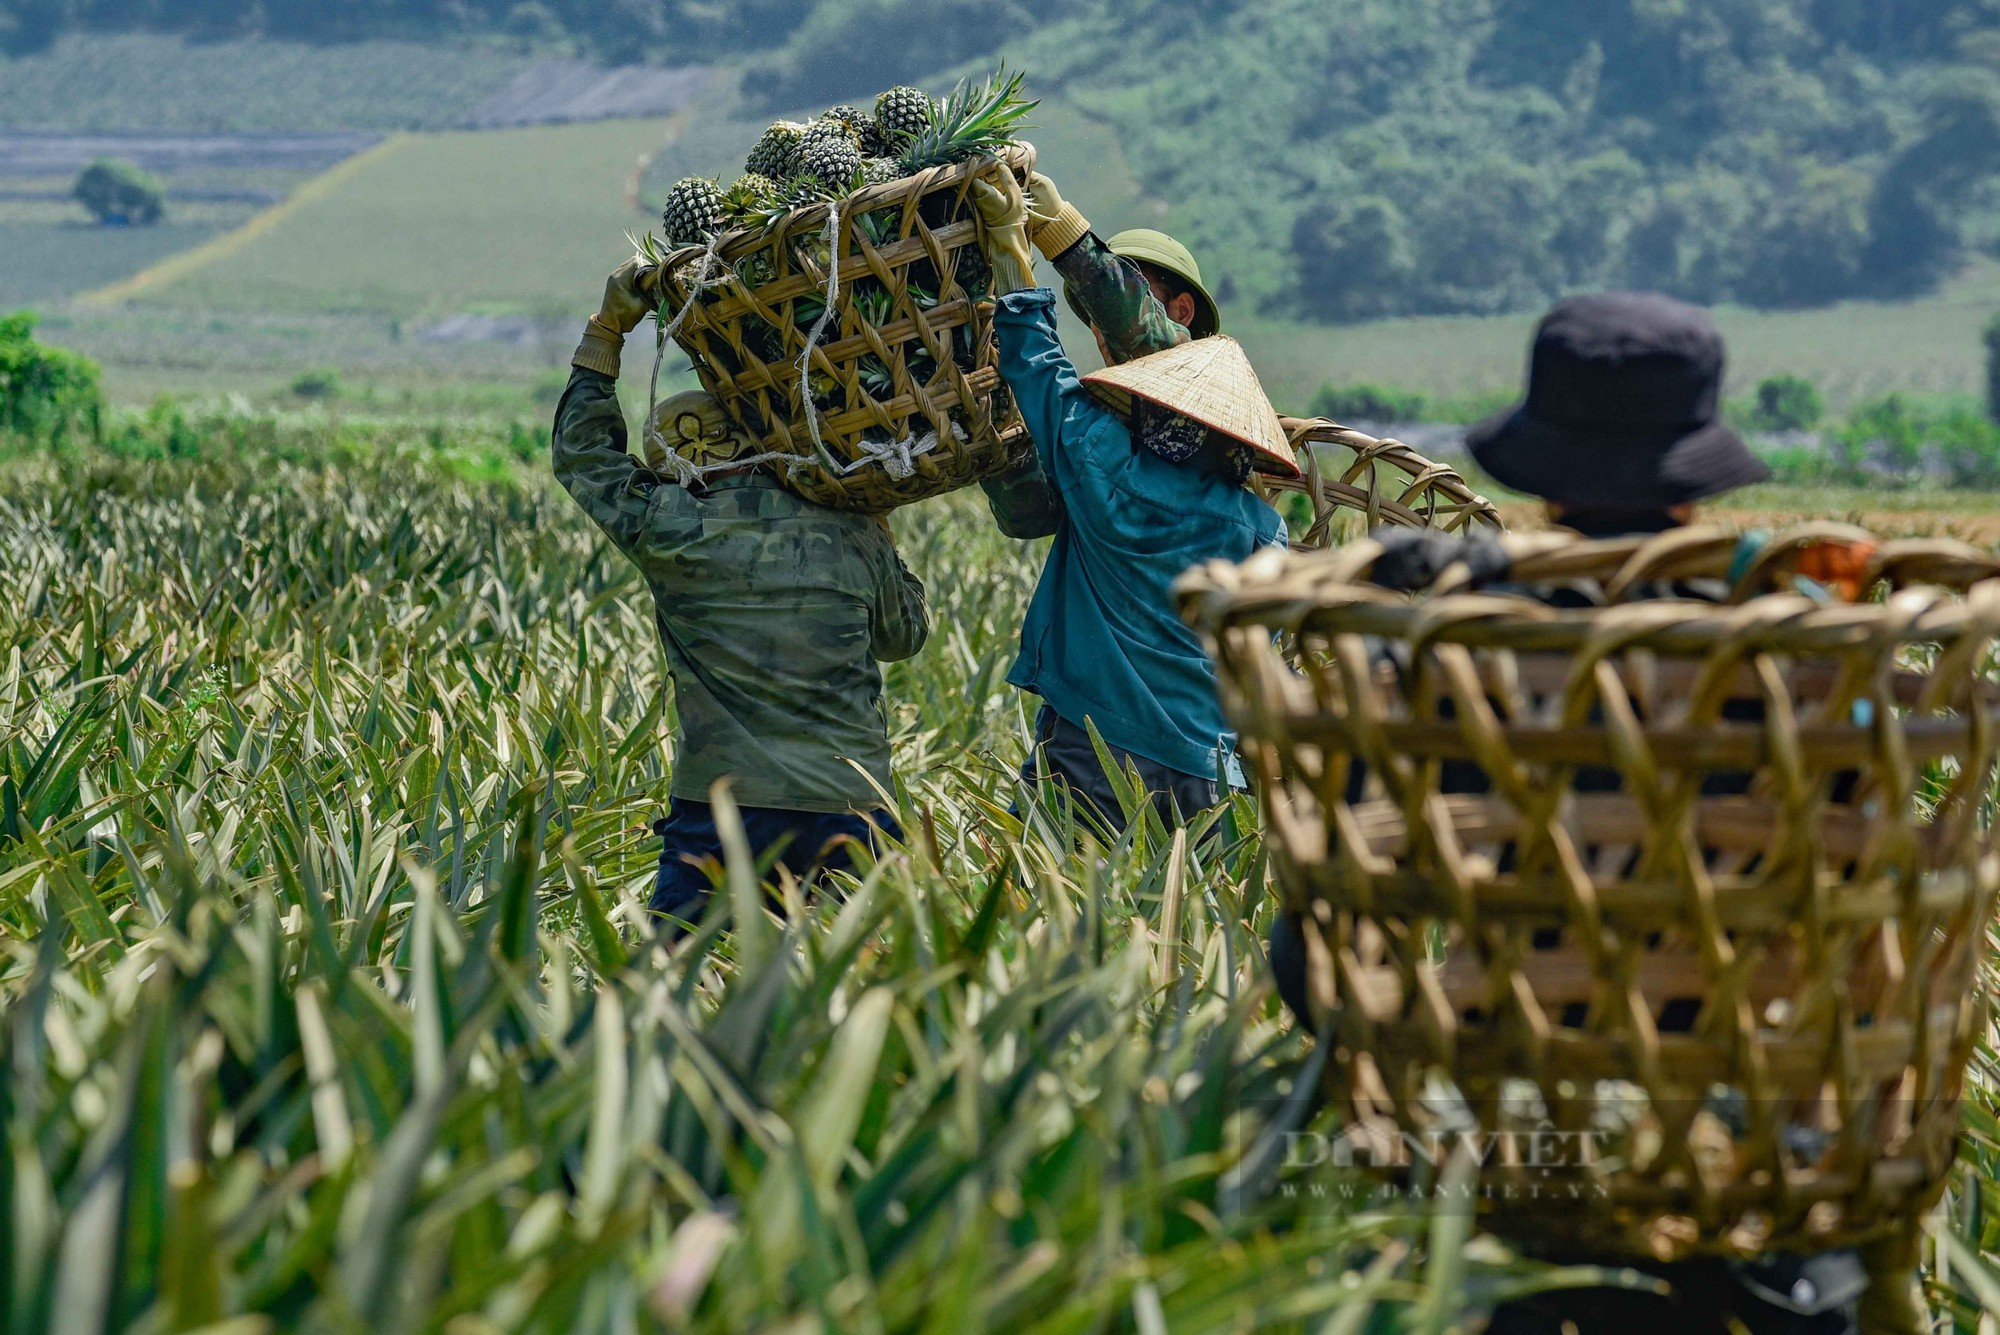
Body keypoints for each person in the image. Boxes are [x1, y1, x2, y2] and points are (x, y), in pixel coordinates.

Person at [1265, 292, 1914, 1334]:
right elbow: (1865, 901)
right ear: (1693, 471)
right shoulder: (1788, 667)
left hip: (1502, 1140)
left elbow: (1311, 956)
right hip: (1744, 1145)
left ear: (1543, 472)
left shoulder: (1451, 662)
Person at [552, 258, 930, 933]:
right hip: (851, 806)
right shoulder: (848, 529)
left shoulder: (670, 524)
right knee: (859, 997)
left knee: (679, 998)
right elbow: (903, 639)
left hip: (722, 812)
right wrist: (877, 524)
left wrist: (608, 328)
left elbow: (584, 458)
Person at [969, 170, 1301, 834]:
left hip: (1093, 748)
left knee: (1049, 913)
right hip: (1210, 769)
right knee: (1176, 929)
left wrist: (1011, 252)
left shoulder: (1102, 461)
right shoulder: (1264, 530)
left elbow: (1036, 367)